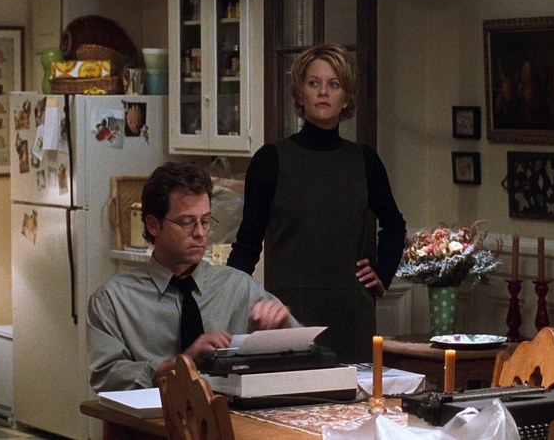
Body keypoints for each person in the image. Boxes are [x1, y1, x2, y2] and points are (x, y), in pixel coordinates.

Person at [227, 43, 406, 363]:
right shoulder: (271, 160)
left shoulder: (365, 161)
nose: (323, 92)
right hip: (288, 312)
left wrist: (382, 273)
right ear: (300, 94)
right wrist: (225, 302)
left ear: (346, 98)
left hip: (352, 313)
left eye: (334, 84)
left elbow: (394, 225)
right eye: (314, 83)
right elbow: (247, 244)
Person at [87, 161, 298, 392]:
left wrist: (282, 333)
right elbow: (106, 377)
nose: (200, 233)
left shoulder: (239, 287)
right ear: (153, 225)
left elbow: (305, 349)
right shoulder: (113, 300)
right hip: (153, 414)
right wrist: (180, 365)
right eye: (187, 223)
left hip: (230, 411)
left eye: (205, 221)